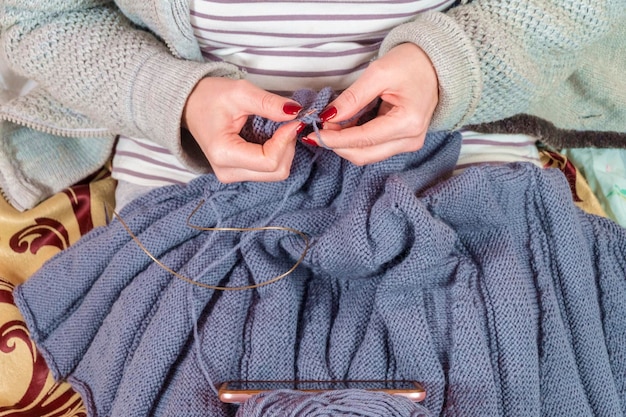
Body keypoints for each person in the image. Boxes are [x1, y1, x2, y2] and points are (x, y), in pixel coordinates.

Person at [0, 0, 624, 212]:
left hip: (468, 185)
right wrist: (177, 97)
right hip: (191, 202)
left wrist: (452, 67)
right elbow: (36, 17)